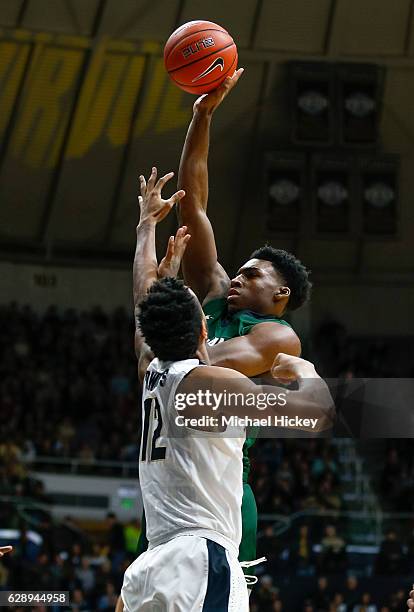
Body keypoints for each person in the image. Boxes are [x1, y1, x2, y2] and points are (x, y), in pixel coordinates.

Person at [119, 168, 333, 611]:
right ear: (203, 331)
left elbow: (143, 301)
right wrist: (306, 369)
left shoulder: (149, 368)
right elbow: (317, 414)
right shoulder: (212, 388)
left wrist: (146, 229)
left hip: (153, 557)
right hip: (201, 556)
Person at [175, 67, 313, 581]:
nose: (237, 275)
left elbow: (195, 367)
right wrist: (202, 116)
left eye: (252, 274)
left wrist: (158, 319)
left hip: (223, 488)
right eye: (239, 268)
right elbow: (194, 203)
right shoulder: (215, 294)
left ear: (280, 296)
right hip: (168, 476)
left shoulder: (277, 336)